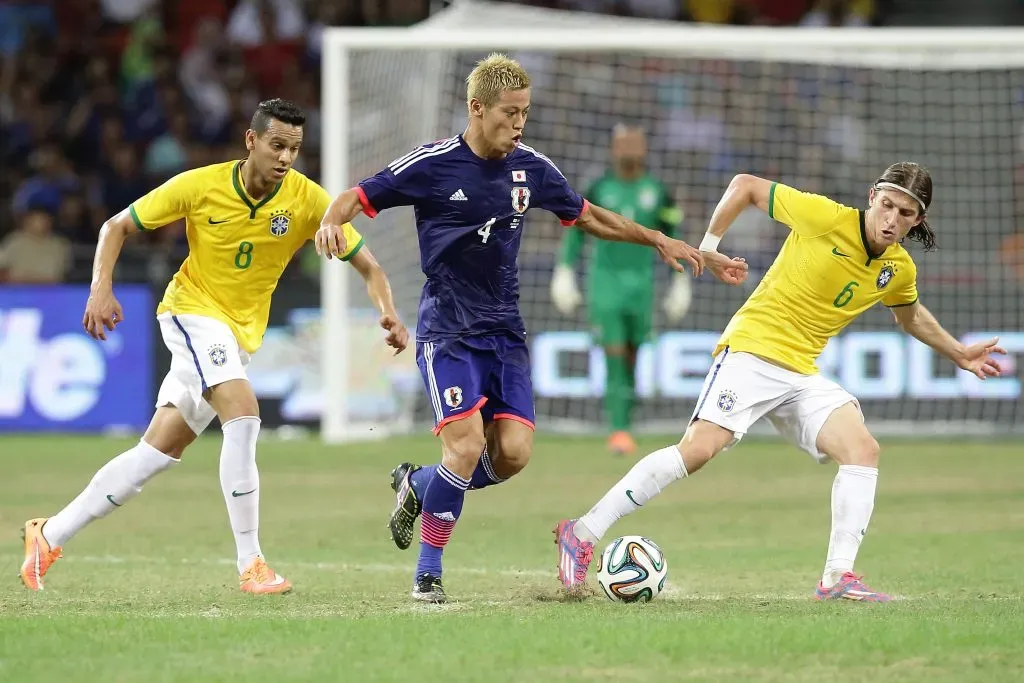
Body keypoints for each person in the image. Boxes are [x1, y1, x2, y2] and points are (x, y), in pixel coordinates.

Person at [315, 54, 747, 603]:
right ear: (476, 108)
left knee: (513, 454)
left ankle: (419, 484)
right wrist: (332, 220)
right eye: (509, 112)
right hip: (448, 328)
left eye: (525, 112)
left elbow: (588, 216)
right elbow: (358, 196)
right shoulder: (433, 164)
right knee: (467, 446)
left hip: (506, 332)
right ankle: (428, 574)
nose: (519, 123)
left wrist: (658, 239)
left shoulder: (532, 168)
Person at [554, 162, 1005, 602]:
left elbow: (910, 315)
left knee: (862, 450)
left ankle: (836, 578)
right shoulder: (825, 217)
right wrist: (709, 247)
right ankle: (582, 531)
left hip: (801, 373)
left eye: (905, 214)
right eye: (887, 205)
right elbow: (745, 185)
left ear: (918, 219)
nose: (892, 219)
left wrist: (959, 352)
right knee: (697, 450)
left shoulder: (899, 268)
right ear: (872, 197)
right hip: (752, 351)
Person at [19, 99, 410, 594]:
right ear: (251, 141)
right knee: (243, 414)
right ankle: (252, 563)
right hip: (192, 313)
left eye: (294, 148)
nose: (286, 157)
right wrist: (101, 287)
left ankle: (48, 535)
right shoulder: (199, 185)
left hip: (238, 336)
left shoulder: (307, 200)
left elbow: (370, 267)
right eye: (276, 145)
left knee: (156, 452)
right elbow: (114, 226)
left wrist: (389, 313)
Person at [551, 124, 690, 455]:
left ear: (643, 148)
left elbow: (674, 231)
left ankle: (625, 421)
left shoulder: (658, 192)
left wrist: (680, 282)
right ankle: (618, 429)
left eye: (634, 143)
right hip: (606, 284)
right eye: (621, 144)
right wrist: (564, 270)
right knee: (613, 353)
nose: (627, 150)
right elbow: (576, 230)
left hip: (642, 286)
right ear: (613, 149)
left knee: (633, 355)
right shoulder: (598, 189)